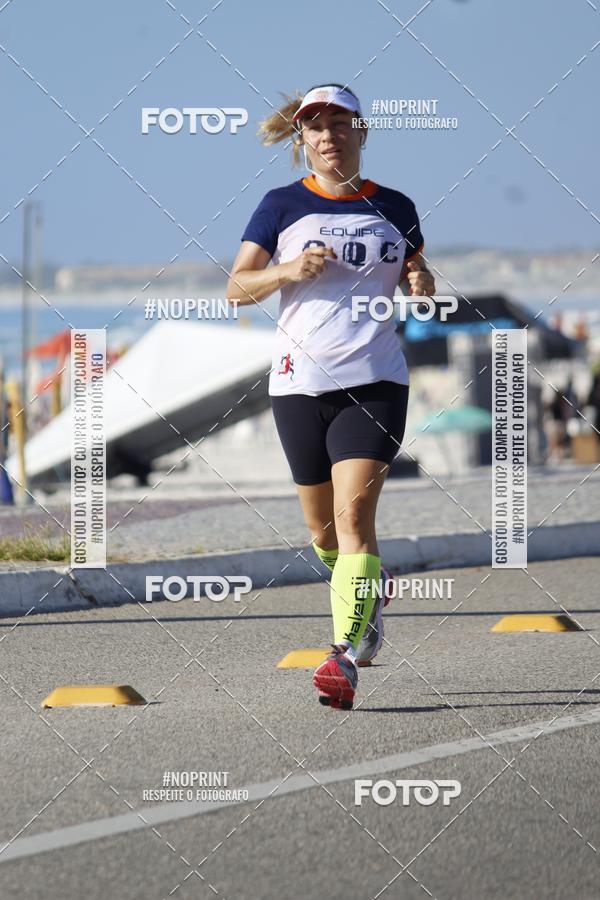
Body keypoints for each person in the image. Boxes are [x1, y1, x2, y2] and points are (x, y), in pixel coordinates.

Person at [226, 83, 435, 709]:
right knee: (322, 532)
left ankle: (344, 655)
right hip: (298, 385)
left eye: (340, 124)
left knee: (352, 520)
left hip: (374, 384)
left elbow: (419, 278)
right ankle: (370, 594)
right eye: (315, 127)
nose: (328, 136)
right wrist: (287, 271)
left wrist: (421, 280)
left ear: (361, 132)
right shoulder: (280, 205)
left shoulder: (396, 206)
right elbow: (237, 288)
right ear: (302, 141)